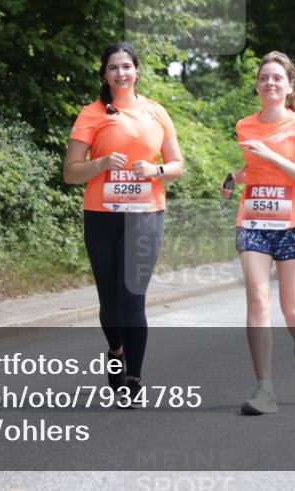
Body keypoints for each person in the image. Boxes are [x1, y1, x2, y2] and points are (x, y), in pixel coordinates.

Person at [63, 42, 183, 404]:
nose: (121, 73)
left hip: (146, 215)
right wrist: (99, 165)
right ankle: (116, 350)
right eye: (114, 67)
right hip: (101, 216)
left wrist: (155, 169)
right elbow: (70, 173)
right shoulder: (91, 114)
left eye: (127, 66)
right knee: (110, 303)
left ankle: (133, 377)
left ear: (137, 71)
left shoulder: (156, 113)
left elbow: (177, 165)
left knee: (132, 298)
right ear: (105, 74)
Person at [220, 51, 295, 416]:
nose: (270, 83)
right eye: (264, 77)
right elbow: (258, 170)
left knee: (292, 308)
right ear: (257, 85)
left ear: (289, 86)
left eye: (277, 78)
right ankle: (265, 390)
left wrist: (273, 155)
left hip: (294, 222)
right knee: (257, 298)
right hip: (254, 220)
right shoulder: (245, 125)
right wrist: (235, 177)